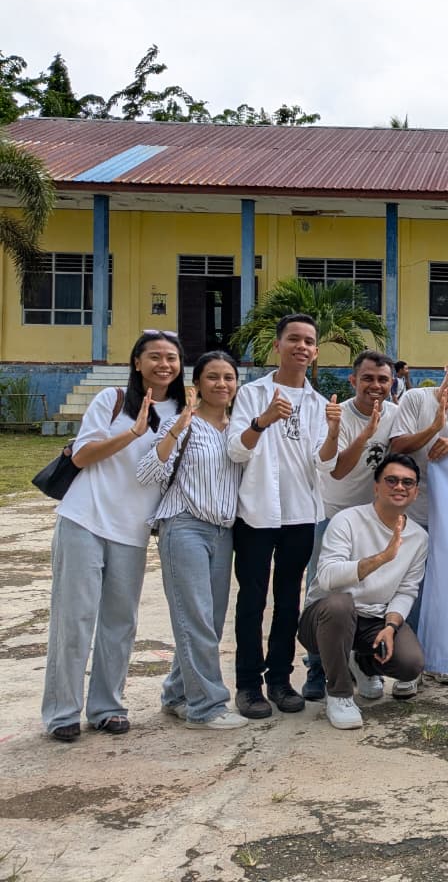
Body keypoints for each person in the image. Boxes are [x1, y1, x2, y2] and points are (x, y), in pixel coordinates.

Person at [42, 331, 186, 742]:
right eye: (154, 356)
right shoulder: (113, 401)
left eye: (171, 358)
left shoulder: (182, 411)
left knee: (119, 623)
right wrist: (132, 433)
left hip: (134, 531)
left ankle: (107, 707)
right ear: (137, 363)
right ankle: (62, 712)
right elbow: (83, 455)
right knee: (74, 620)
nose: (164, 364)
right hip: (84, 520)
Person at [228, 314, 341, 720]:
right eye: (294, 339)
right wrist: (263, 421)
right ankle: (248, 685)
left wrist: (331, 433)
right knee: (252, 599)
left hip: (299, 514)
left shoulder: (316, 402)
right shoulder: (252, 394)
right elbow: (236, 451)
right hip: (257, 513)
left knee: (288, 600)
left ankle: (280, 678)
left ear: (315, 352)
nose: (302, 346)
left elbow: (323, 465)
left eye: (309, 341)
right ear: (277, 346)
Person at [138, 350, 247, 730]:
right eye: (213, 377)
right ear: (197, 383)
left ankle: (176, 693)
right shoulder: (183, 422)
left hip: (223, 531)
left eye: (229, 377)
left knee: (209, 622)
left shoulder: (238, 428)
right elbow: (148, 471)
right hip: (184, 526)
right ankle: (207, 706)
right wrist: (174, 430)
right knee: (196, 618)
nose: (222, 384)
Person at [297, 454, 428, 730]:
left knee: (410, 664)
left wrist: (391, 627)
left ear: (416, 492)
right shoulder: (347, 520)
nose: (400, 487)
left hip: (373, 620)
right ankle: (340, 694)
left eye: (408, 482)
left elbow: (406, 591)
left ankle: (364, 664)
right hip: (324, 619)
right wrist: (382, 558)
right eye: (391, 480)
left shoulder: (418, 537)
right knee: (340, 605)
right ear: (376, 486)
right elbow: (329, 577)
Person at [299, 351, 399, 701]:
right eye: (368, 378)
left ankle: (363, 661)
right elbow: (338, 470)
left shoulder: (396, 414)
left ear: (392, 384)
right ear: (353, 380)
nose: (376, 386)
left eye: (383, 380)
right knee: (325, 591)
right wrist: (367, 432)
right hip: (332, 515)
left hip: (373, 520)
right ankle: (316, 667)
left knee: (372, 594)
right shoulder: (338, 416)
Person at [388, 346, 448, 690]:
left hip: (447, 518)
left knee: (441, 590)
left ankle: (436, 659)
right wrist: (434, 426)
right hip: (408, 514)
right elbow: (397, 446)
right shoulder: (416, 399)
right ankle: (407, 668)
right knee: (406, 588)